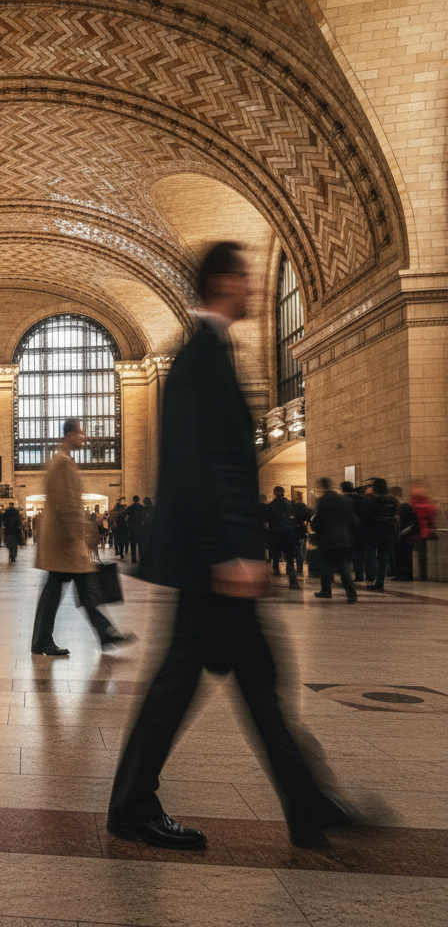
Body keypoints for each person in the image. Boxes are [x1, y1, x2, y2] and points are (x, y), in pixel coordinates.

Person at [108, 241, 355, 851]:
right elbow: (199, 468)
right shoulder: (199, 359)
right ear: (222, 281)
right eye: (245, 278)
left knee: (255, 681)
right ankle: (136, 804)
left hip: (213, 562)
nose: (255, 290)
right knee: (196, 685)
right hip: (213, 565)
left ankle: (306, 803)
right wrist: (230, 555)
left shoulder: (210, 355)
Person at [30, 418, 130, 657]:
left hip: (63, 540)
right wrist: (80, 535)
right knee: (70, 588)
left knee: (69, 588)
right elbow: (66, 503)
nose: (83, 438)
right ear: (70, 434)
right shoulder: (62, 463)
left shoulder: (63, 460)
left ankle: (103, 633)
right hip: (64, 540)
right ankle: (100, 634)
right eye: (80, 433)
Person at [311, 479, 359, 602]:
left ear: (322, 487)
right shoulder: (344, 500)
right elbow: (353, 520)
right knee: (344, 567)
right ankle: (351, 593)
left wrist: (316, 532)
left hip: (327, 538)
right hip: (343, 539)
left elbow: (319, 520)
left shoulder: (322, 501)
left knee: (325, 566)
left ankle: (326, 590)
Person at [364, 478, 397, 592]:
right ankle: (380, 582)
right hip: (388, 532)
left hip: (372, 532)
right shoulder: (392, 501)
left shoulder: (371, 501)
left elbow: (366, 517)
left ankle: (373, 577)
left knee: (371, 554)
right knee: (383, 557)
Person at [266, 487, 300, 589]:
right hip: (289, 534)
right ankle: (293, 580)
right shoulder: (290, 504)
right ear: (283, 492)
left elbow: (268, 520)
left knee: (275, 554)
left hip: (276, 534)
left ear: (275, 493)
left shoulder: (271, 506)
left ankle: (276, 570)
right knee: (289, 558)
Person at [126, 495, 148, 565]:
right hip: (140, 528)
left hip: (132, 529)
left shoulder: (129, 508)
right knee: (140, 545)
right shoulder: (142, 508)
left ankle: (134, 559)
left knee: (133, 545)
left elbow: (127, 518)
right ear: (138, 500)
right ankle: (141, 558)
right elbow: (144, 518)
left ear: (133, 500)